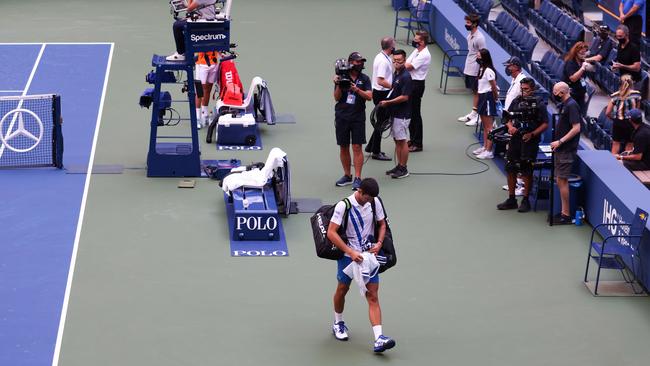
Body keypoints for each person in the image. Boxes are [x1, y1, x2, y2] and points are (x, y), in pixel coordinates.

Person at [326, 178, 395, 353]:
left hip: (368, 257)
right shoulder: (344, 206)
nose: (370, 200)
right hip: (347, 255)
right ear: (360, 191)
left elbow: (382, 224)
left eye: (372, 198)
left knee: (372, 295)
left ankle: (379, 338)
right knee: (342, 289)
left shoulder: (375, 201)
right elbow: (331, 233)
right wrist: (350, 252)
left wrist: (379, 243)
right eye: (368, 197)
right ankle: (338, 323)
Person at [497, 78, 548, 212]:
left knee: (526, 170)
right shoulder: (517, 101)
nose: (523, 91)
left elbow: (545, 124)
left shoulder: (539, 104)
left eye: (526, 89)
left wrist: (532, 134)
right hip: (515, 139)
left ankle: (525, 200)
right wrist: (510, 127)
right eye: (522, 89)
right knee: (510, 167)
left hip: (529, 141)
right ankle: (511, 199)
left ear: (532, 89)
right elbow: (506, 117)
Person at [333, 52, 372, 191]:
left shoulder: (365, 78)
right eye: (357, 62)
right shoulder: (342, 77)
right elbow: (337, 98)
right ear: (350, 63)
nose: (360, 64)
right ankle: (347, 175)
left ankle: (357, 178)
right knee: (343, 146)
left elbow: (369, 96)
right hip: (342, 117)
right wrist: (337, 84)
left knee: (357, 147)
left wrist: (356, 89)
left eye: (361, 61)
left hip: (358, 117)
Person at [550, 82, 582, 225]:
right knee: (560, 180)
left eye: (555, 92)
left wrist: (560, 142)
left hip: (566, 150)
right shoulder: (565, 104)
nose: (554, 94)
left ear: (562, 92)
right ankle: (564, 212)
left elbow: (576, 128)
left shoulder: (572, 105)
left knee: (562, 180)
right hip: (561, 149)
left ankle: (566, 215)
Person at [379, 49, 412, 179]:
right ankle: (399, 165)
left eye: (399, 60)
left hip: (402, 114)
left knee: (402, 141)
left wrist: (389, 102)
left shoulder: (406, 77)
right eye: (394, 60)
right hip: (395, 112)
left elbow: (405, 97)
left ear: (404, 60)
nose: (396, 63)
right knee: (397, 140)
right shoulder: (396, 73)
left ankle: (404, 168)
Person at [366, 37, 395, 161]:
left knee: (381, 121)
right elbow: (381, 80)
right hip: (382, 94)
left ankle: (370, 147)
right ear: (391, 47)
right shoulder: (383, 61)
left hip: (379, 93)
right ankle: (376, 152)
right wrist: (394, 86)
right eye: (394, 45)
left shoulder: (382, 56)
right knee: (381, 123)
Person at [458, 13, 487, 126]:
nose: (466, 24)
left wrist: (481, 70)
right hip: (469, 66)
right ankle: (473, 113)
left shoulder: (480, 38)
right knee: (475, 91)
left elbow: (483, 54)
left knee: (479, 91)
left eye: (468, 23)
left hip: (476, 68)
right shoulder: (470, 35)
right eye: (466, 22)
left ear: (475, 24)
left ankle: (479, 115)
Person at [405, 30, 431, 152]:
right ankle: (413, 139)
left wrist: (403, 64)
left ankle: (418, 143)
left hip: (417, 85)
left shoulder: (425, 54)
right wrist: (404, 63)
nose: (414, 41)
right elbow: (407, 62)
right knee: (410, 113)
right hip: (411, 83)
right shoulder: (417, 50)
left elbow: (408, 66)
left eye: (416, 40)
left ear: (422, 42)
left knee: (415, 114)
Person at [606, 74, 641, 155]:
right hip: (632, 123)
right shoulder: (637, 94)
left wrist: (614, 118)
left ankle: (613, 163)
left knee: (615, 144)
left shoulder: (615, 95)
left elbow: (607, 112)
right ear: (632, 83)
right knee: (629, 145)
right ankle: (625, 163)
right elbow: (637, 111)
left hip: (618, 122)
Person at [475, 49, 499, 160]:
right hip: (482, 97)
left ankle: (489, 151)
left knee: (489, 127)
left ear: (484, 58)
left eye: (479, 56)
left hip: (488, 98)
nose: (477, 58)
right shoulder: (481, 69)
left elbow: (493, 87)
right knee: (485, 126)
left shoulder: (489, 71)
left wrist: (495, 98)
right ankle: (485, 147)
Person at [561, 42, 589, 115]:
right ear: (576, 52)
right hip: (571, 93)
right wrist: (582, 68)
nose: (583, 54)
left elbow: (582, 78)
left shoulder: (582, 62)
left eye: (585, 52)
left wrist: (585, 91)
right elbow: (573, 78)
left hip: (580, 93)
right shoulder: (570, 63)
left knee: (580, 114)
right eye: (581, 53)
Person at [194, 51, 219, 129]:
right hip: (202, 64)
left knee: (208, 89)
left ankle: (205, 114)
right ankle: (197, 117)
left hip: (214, 63)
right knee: (199, 91)